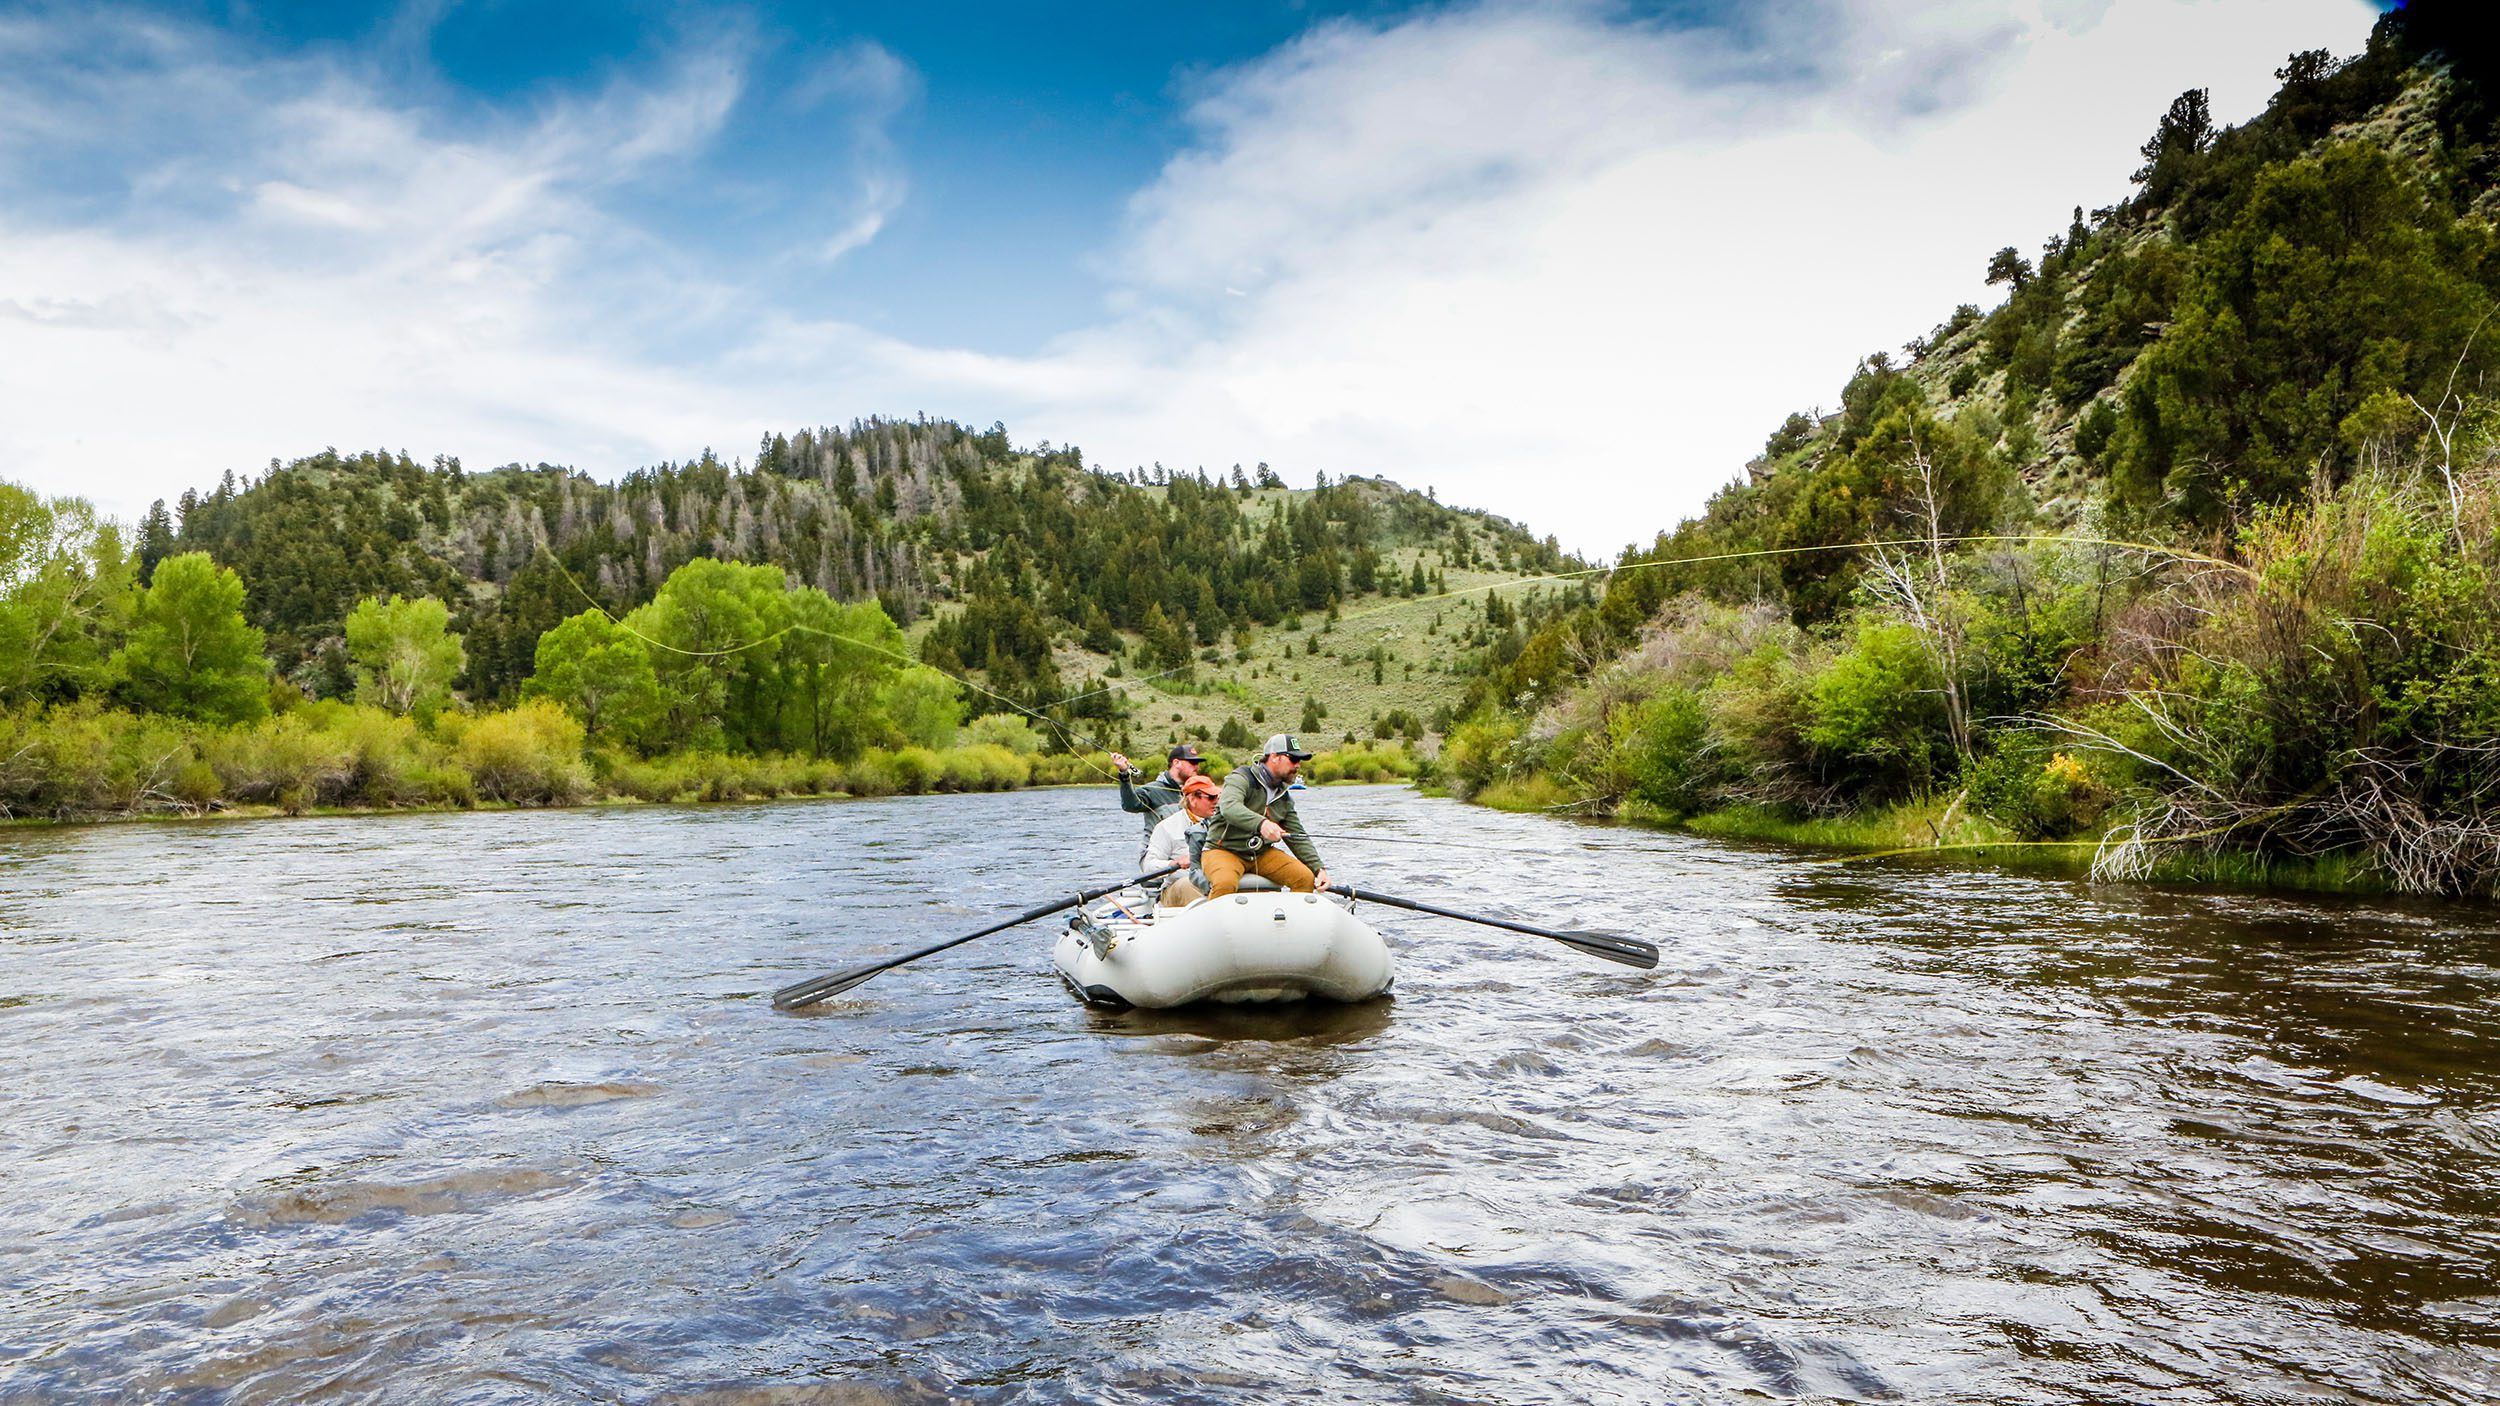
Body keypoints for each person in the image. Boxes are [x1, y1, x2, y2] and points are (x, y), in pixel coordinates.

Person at [1202, 734, 1329, 895]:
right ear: (1274, 757)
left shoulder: (1283, 796)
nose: (1298, 765)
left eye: (1300, 761)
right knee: (1225, 883)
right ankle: (1217, 920)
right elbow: (1229, 807)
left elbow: (1297, 836)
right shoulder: (1241, 778)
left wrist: (1319, 869)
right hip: (1221, 850)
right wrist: (1262, 823)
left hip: (1261, 854)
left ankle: (1289, 919)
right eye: (1293, 759)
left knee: (1305, 878)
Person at [1109, 743, 1205, 863]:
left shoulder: (1196, 792)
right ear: (1176, 763)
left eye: (1198, 763)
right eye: (1192, 763)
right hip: (1157, 859)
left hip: (1185, 856)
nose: (1197, 767)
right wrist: (1124, 773)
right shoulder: (1152, 790)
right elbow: (1130, 805)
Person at [1145, 775, 1221, 907]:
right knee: (1188, 883)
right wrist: (1175, 863)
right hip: (1178, 888)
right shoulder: (1167, 827)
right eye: (1211, 797)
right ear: (1192, 799)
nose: (1216, 802)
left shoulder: (1225, 824)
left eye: (1218, 797)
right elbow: (1148, 867)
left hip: (1216, 882)